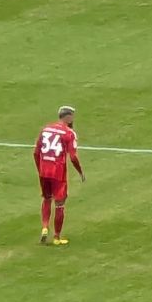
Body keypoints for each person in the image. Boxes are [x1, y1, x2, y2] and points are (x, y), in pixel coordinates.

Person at [34, 104, 85, 246]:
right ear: (68, 117)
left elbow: (36, 152)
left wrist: (40, 169)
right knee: (60, 204)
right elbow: (73, 157)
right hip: (58, 172)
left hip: (44, 170)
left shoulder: (45, 129)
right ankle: (56, 237)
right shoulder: (69, 133)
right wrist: (80, 172)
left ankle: (44, 227)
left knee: (46, 198)